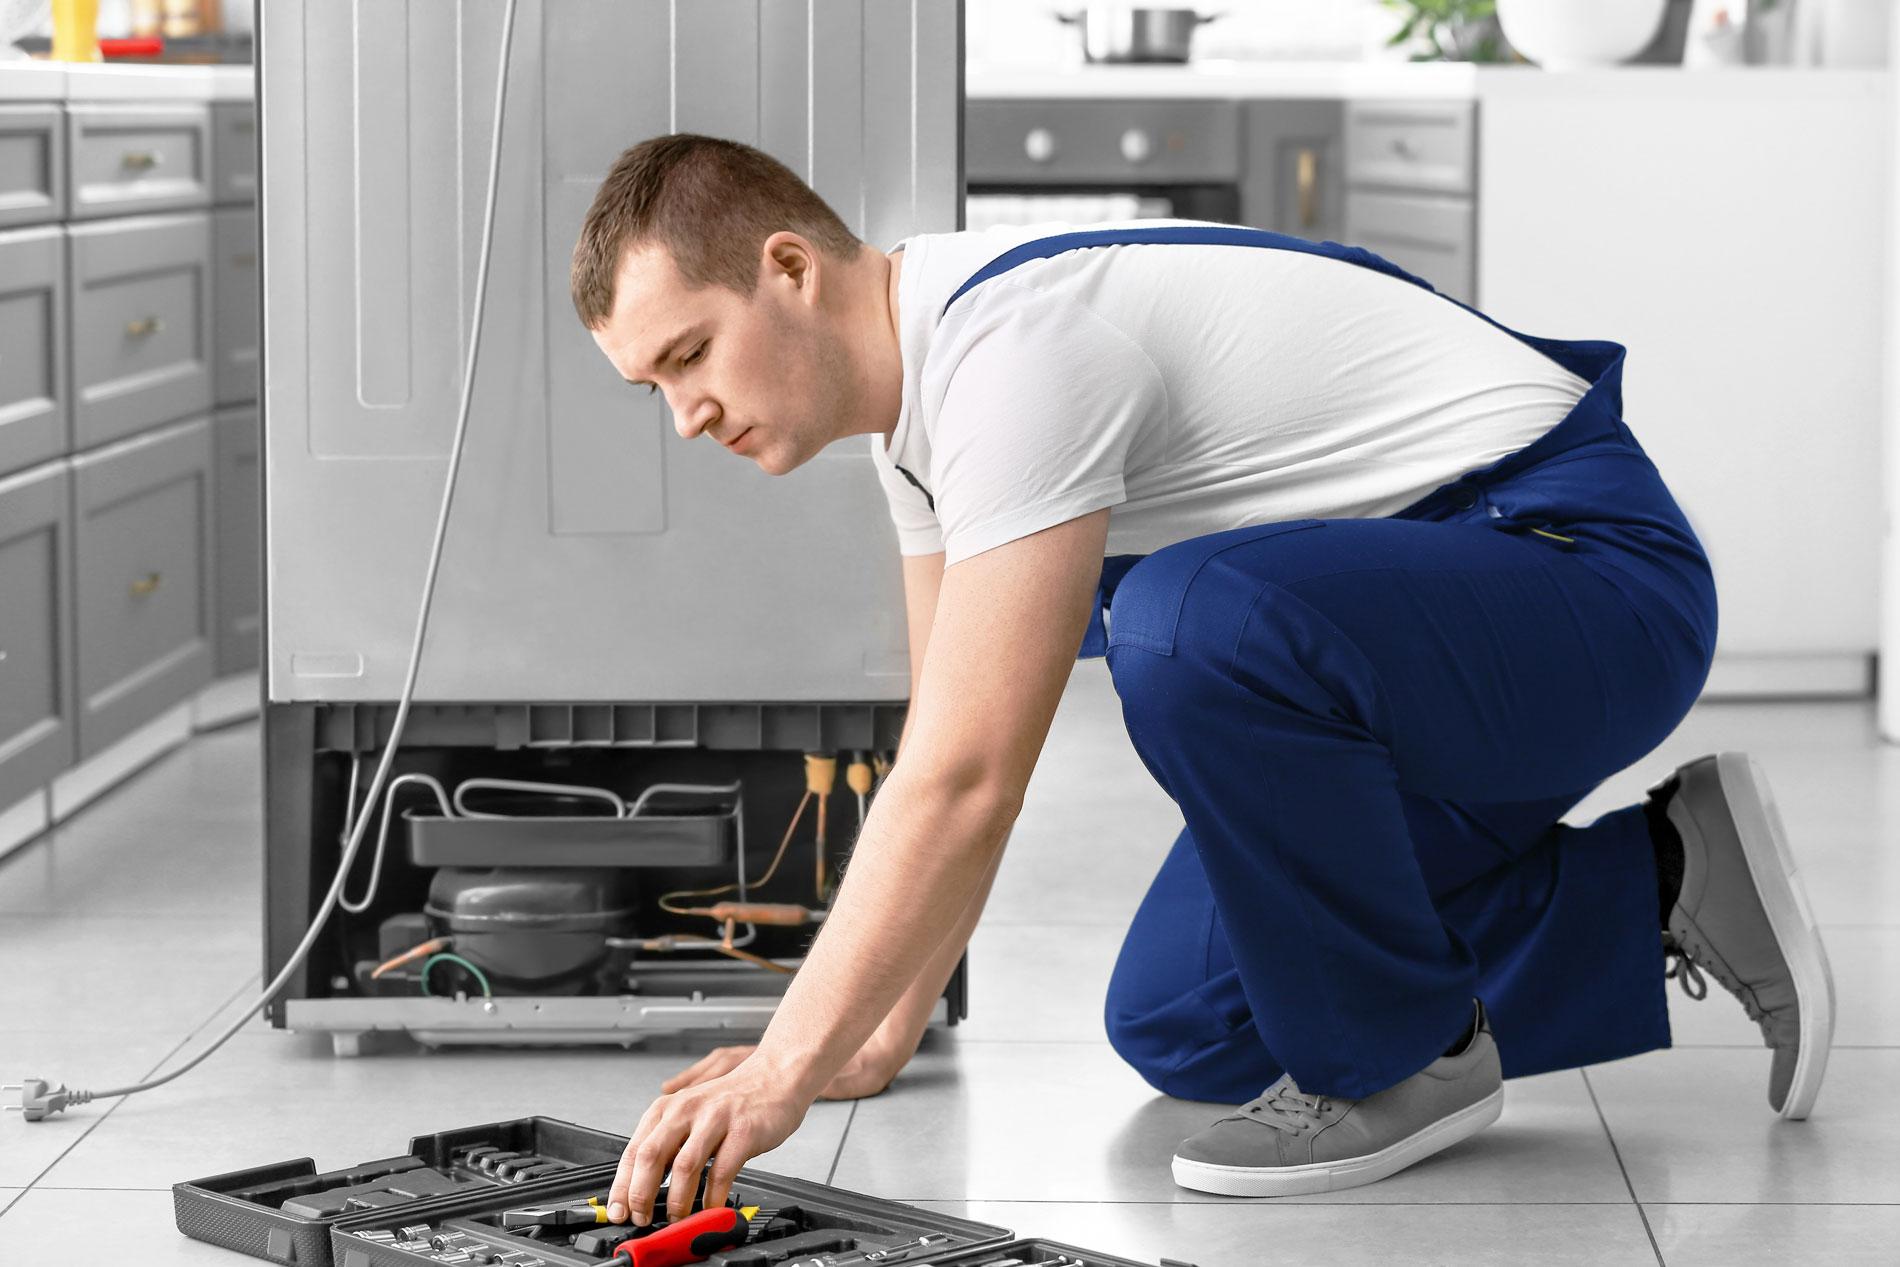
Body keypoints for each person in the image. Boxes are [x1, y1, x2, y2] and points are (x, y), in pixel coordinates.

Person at [568, 133, 1835, 1225]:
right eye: (652, 389)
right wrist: (868, 1039)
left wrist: (783, 1061)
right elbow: (940, 746)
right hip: (1424, 668)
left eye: (690, 355)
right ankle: (1664, 880)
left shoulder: (1007, 352)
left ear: (788, 268)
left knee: (1183, 621)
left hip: (1585, 586)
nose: (685, 415)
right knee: (1188, 1021)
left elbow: (970, 780)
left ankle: (1403, 1063)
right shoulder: (915, 439)